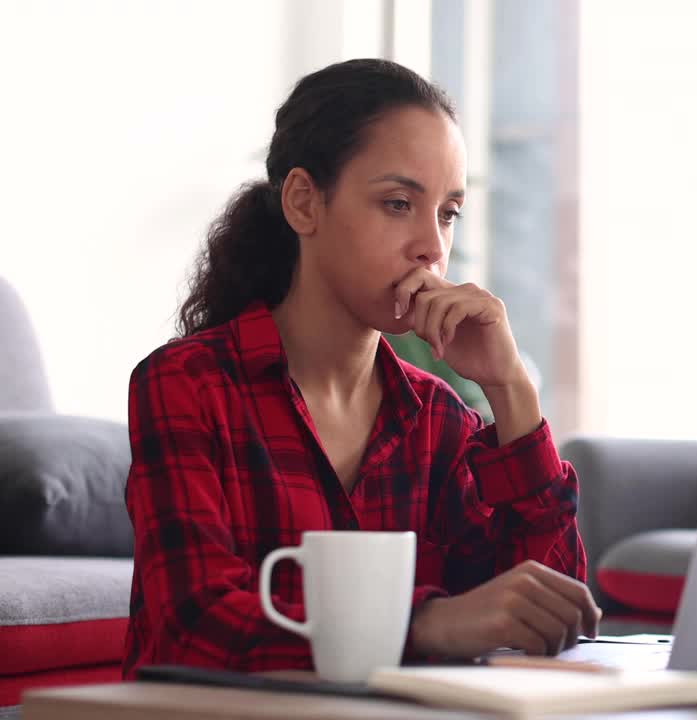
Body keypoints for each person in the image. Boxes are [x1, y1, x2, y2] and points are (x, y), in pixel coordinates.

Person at [122, 58, 599, 679]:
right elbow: (196, 625)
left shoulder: (439, 421)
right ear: (303, 202)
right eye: (398, 203)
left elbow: (553, 613)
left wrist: (511, 390)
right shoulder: (187, 386)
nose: (432, 245)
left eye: (448, 213)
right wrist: (425, 623)